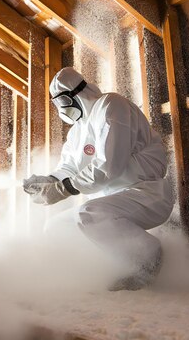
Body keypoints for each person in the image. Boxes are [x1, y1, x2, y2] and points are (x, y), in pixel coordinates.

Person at [23, 67, 174, 290]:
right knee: (55, 226)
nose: (61, 109)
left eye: (60, 102)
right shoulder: (77, 131)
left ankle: (148, 257)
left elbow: (108, 165)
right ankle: (95, 272)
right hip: (113, 201)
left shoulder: (111, 106)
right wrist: (49, 180)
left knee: (89, 214)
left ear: (74, 96)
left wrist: (64, 189)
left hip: (146, 193)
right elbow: (69, 167)